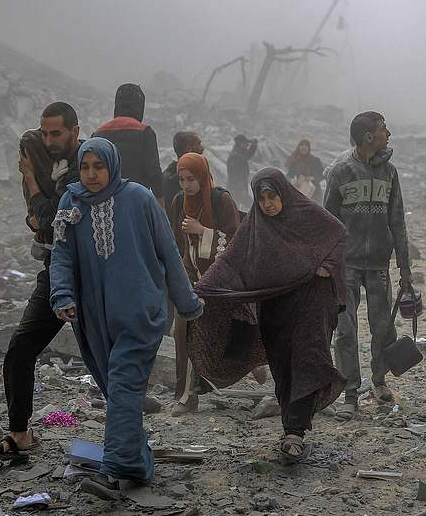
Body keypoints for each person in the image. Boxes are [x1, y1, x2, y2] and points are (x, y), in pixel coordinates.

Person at [49, 137, 203, 498]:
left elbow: (168, 251)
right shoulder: (71, 202)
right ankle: (137, 464)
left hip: (139, 311)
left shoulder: (139, 198)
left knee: (122, 384)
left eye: (98, 167)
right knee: (118, 390)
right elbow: (62, 254)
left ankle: (114, 469)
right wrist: (62, 295)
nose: (90, 175)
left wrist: (187, 303)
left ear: (113, 166)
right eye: (84, 167)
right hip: (94, 318)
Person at [186, 167, 346, 463]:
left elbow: (337, 233)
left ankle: (294, 432)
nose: (268, 204)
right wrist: (202, 290)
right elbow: (230, 262)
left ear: (283, 193)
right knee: (283, 367)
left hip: (311, 303)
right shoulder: (255, 227)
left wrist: (328, 265)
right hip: (276, 308)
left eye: (273, 197)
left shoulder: (306, 213)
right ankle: (291, 426)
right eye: (262, 199)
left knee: (307, 359)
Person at [0, 102, 81, 461]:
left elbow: (51, 219)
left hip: (90, 274)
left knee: (107, 358)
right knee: (21, 348)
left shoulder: (86, 166)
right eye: (45, 133)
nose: (49, 140)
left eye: (56, 133)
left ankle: (126, 442)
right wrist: (36, 201)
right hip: (56, 270)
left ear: (75, 131)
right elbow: (40, 221)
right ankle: (20, 433)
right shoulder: (49, 164)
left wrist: (32, 182)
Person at [324, 111, 412, 421]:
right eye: (384, 129)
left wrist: (404, 268)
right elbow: (327, 222)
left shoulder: (389, 172)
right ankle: (350, 394)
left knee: (382, 328)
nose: (389, 134)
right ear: (368, 136)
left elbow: (397, 221)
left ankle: (379, 381)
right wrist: (325, 265)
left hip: (378, 265)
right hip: (345, 266)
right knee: (346, 331)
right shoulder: (341, 173)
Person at [168, 152, 240, 416]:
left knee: (223, 336)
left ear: (203, 176)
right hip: (191, 279)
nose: (187, 185)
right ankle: (186, 395)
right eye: (182, 179)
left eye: (192, 179)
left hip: (220, 282)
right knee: (182, 332)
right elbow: (176, 242)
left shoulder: (221, 200)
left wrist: (202, 231)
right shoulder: (179, 201)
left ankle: (249, 365)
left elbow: (236, 243)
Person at [92, 83, 164, 205]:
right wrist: (161, 203)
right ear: (140, 106)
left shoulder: (98, 133)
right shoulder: (145, 132)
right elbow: (154, 173)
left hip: (104, 204)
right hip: (136, 203)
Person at [163, 131, 204, 207]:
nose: (202, 149)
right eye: (198, 144)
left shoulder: (167, 177)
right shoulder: (171, 181)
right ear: (189, 148)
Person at [226, 134, 258, 208]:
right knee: (251, 206)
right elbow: (235, 176)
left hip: (239, 186)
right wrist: (241, 189)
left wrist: (253, 146)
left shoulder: (239, 154)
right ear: (240, 144)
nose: (247, 145)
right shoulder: (235, 157)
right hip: (236, 188)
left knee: (239, 208)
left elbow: (248, 155)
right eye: (245, 143)